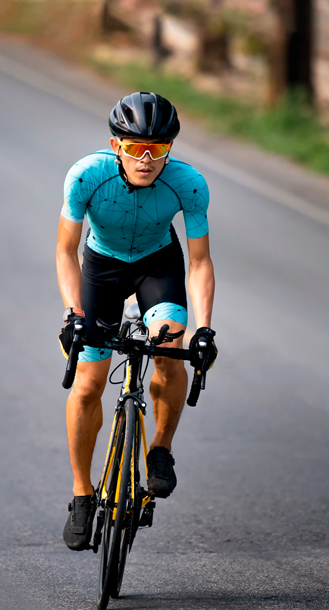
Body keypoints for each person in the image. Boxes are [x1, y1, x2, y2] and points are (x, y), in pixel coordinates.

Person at [56, 92, 216, 551]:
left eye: (158, 149)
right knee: (88, 383)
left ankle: (160, 447)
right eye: (134, 148)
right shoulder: (87, 175)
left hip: (156, 264)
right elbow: (66, 251)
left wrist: (205, 327)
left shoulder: (189, 184)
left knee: (169, 347)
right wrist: (74, 313)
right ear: (116, 145)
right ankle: (82, 494)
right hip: (101, 267)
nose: (146, 159)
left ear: (170, 149)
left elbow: (199, 262)